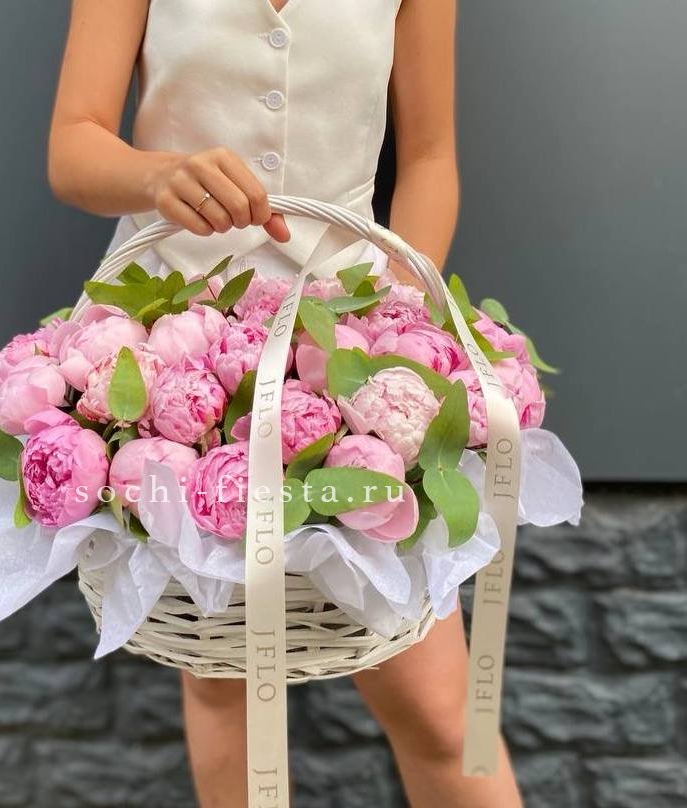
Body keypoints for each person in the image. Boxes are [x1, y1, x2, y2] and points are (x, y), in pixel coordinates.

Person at [47, 1, 522, 805]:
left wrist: (397, 325)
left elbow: (431, 157)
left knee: (443, 713)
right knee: (222, 683)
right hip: (177, 358)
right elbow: (74, 142)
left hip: (345, 351)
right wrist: (157, 175)